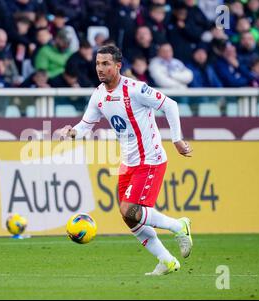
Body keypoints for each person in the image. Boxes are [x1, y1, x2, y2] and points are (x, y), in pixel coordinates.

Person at [61, 45, 193, 276]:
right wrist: (71, 132)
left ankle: (178, 226)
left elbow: (170, 105)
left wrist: (177, 140)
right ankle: (167, 260)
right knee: (128, 217)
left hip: (151, 158)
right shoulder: (99, 95)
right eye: (97, 64)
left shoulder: (136, 89)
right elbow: (85, 126)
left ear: (118, 66)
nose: (100, 69)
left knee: (129, 208)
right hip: (128, 162)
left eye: (105, 64)